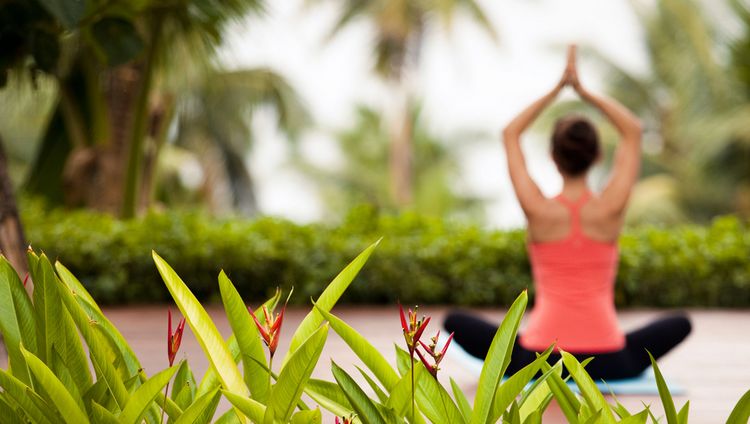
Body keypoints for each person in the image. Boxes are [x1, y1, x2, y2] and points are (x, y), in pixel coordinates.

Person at [444, 45, 691, 380]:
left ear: (552, 157)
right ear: (598, 156)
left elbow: (510, 133)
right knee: (681, 323)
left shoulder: (539, 210)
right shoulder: (610, 208)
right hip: (609, 361)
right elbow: (633, 130)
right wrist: (584, 91)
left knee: (454, 321)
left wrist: (557, 89)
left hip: (539, 360)